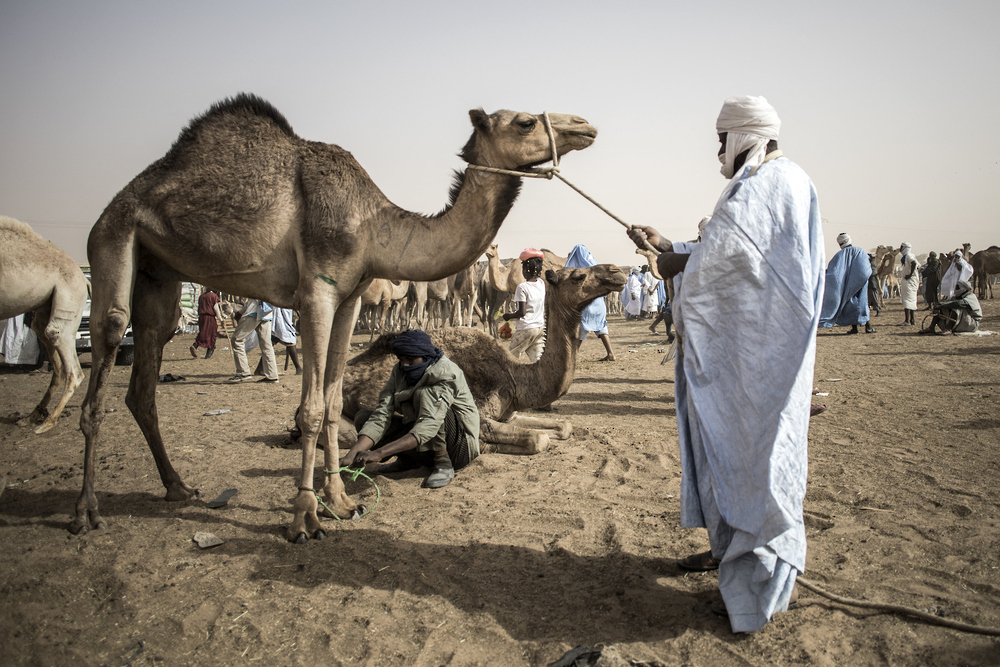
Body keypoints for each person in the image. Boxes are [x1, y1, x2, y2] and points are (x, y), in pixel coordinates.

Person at [628, 95, 823, 633]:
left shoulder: (773, 185)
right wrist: (666, 244)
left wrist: (668, 260)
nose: (718, 148)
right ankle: (728, 554)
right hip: (736, 356)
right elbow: (724, 247)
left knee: (759, 459)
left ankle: (759, 588)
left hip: (761, 357)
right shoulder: (758, 186)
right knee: (722, 450)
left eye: (722, 138)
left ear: (744, 136)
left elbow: (734, 255)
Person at [339, 329, 480, 489]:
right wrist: (352, 454)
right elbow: (381, 415)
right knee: (363, 418)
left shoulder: (445, 372)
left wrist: (380, 453)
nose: (405, 365)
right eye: (401, 359)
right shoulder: (399, 371)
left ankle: (443, 463)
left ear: (425, 356)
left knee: (425, 396)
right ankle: (408, 460)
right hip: (424, 440)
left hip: (459, 447)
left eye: (410, 360)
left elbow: (428, 425)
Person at [565, 243, 617, 361]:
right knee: (602, 328)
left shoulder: (577, 272)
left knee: (580, 330)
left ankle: (571, 358)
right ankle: (611, 354)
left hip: (586, 305)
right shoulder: (596, 268)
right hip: (599, 305)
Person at [819, 233, 874, 334]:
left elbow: (834, 272)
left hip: (847, 287)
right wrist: (858, 281)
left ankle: (856, 328)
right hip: (859, 285)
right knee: (862, 303)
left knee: (850, 304)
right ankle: (866, 327)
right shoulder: (860, 252)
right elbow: (866, 270)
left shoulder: (839, 255)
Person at [503, 248, 546, 362]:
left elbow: (522, 312)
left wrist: (509, 316)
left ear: (526, 269)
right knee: (538, 360)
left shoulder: (522, 287)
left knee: (511, 358)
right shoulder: (541, 284)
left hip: (526, 329)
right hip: (540, 328)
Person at [228, 298, 278, 383]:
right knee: (267, 345)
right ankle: (272, 374)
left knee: (237, 340)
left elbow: (252, 300)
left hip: (253, 312)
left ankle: (243, 372)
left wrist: (241, 312)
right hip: (267, 314)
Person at [190, 288, 223, 359]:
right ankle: (208, 353)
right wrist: (220, 318)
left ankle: (195, 345)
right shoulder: (213, 296)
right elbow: (216, 308)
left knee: (203, 332)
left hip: (201, 317)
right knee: (212, 334)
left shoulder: (202, 296)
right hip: (209, 318)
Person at [271, 307, 302, 374]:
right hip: (280, 314)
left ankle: (260, 367)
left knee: (271, 342)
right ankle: (298, 367)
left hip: (284, 313)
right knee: (289, 338)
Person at [898, 243, 919, 326]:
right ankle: (912, 320)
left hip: (909, 281)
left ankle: (907, 320)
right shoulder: (910, 256)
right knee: (911, 300)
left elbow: (914, 264)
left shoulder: (909, 256)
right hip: (911, 281)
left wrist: (910, 274)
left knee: (907, 300)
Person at [866, 253, 882, 317]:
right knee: (869, 300)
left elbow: (872, 273)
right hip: (870, 284)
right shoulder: (869, 265)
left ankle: (878, 311)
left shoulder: (872, 265)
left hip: (873, 284)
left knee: (874, 298)